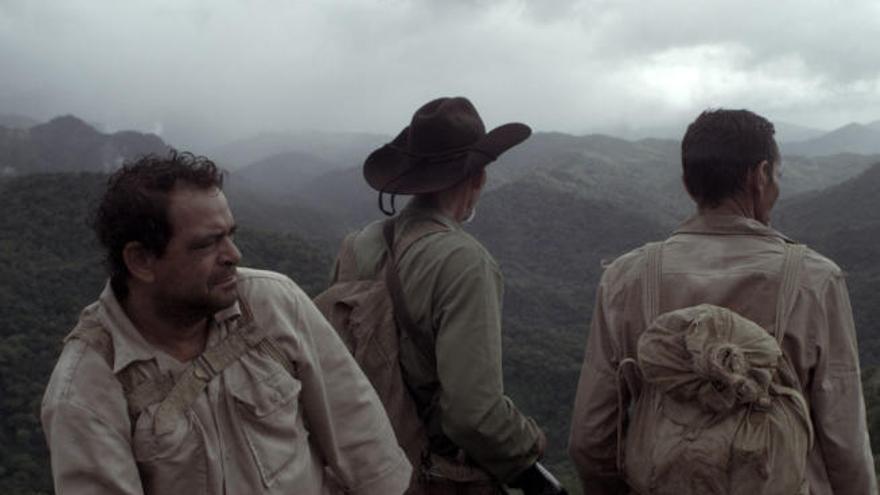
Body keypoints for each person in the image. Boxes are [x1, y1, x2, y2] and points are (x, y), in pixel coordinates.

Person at [41, 151, 411, 494]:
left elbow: (364, 446)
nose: (234, 255)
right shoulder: (86, 391)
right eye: (206, 244)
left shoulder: (272, 304)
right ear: (141, 261)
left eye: (231, 235)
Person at [568, 109, 877, 494]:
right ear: (760, 175)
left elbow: (589, 438)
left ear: (687, 183)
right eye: (777, 176)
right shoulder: (814, 280)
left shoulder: (626, 279)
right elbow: (844, 439)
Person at [336, 96, 554, 493]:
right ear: (479, 177)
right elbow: (473, 414)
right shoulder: (465, 262)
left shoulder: (357, 245)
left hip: (362, 467)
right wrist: (530, 456)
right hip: (431, 477)